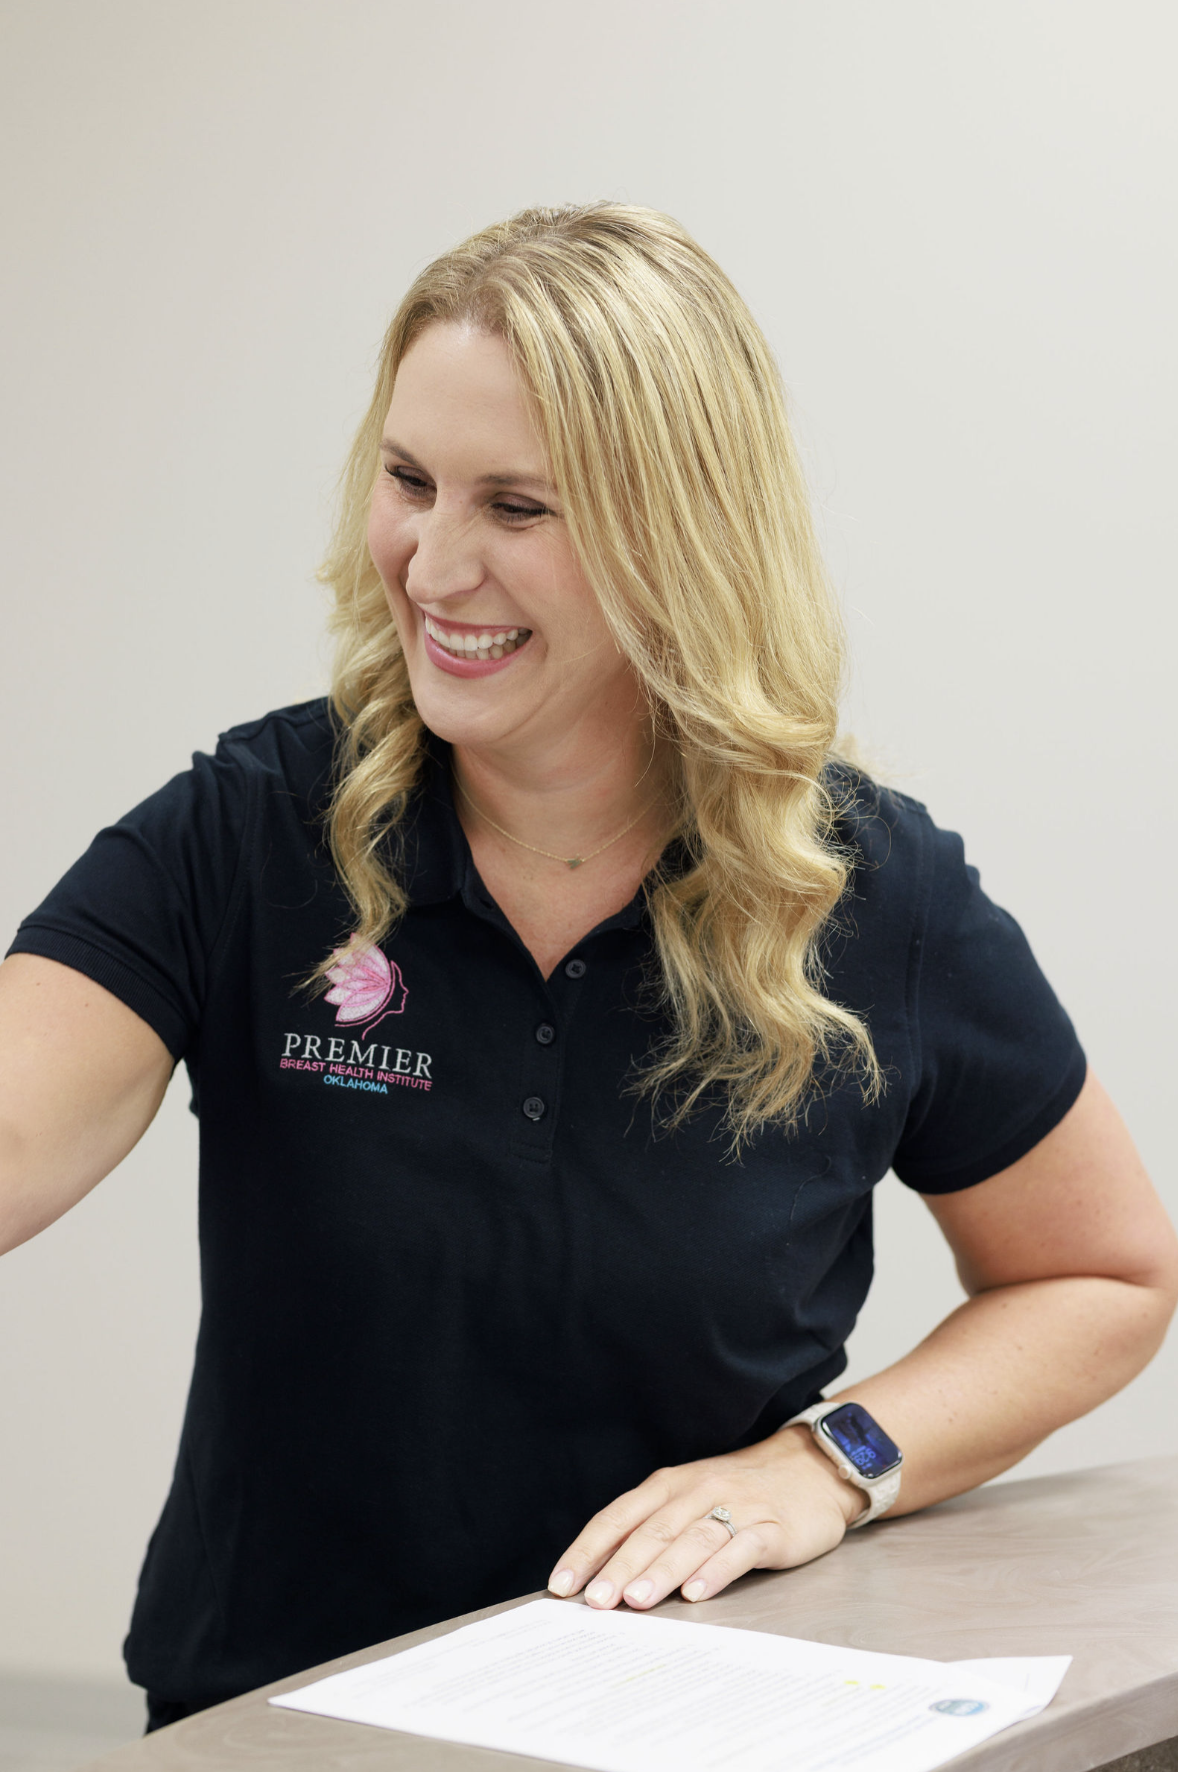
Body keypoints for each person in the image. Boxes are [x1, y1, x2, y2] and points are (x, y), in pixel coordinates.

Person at [2, 202, 1175, 1731]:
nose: (433, 562)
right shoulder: (247, 834)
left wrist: (832, 1466)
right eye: (410, 481)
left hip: (691, 1718)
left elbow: (1099, 1273)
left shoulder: (868, 894)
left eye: (519, 508)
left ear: (675, 531)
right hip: (280, 1723)